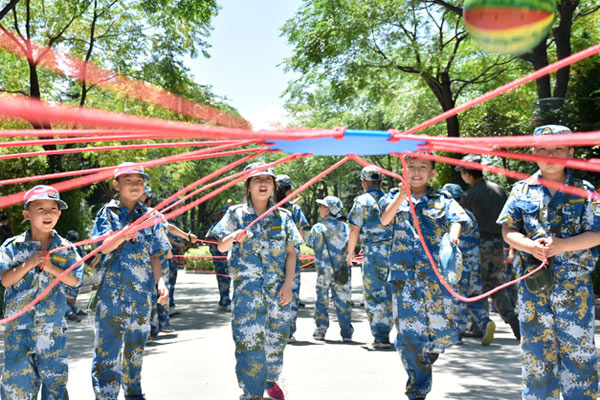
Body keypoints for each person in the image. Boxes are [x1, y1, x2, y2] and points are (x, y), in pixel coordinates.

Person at [497, 124, 600, 400]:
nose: (550, 154)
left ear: (570, 151)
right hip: (534, 289)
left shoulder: (585, 191)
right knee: (536, 359)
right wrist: (529, 245)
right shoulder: (521, 190)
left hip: (574, 290)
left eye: (558, 148)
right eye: (542, 148)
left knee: (579, 357)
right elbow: (508, 231)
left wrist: (563, 246)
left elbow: (598, 233)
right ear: (533, 153)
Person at [380, 155, 470, 400]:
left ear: (432, 173)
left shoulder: (442, 200)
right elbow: (384, 219)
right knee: (409, 337)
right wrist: (401, 195)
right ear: (402, 171)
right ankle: (417, 390)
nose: (416, 172)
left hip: (436, 278)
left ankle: (432, 350)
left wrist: (453, 237)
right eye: (411, 168)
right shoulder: (392, 198)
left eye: (422, 168)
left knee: (440, 332)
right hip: (405, 279)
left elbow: (459, 219)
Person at [211, 162, 302, 400]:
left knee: (276, 343)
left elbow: (292, 253)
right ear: (248, 185)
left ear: (273, 186)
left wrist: (288, 284)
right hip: (247, 293)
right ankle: (251, 393)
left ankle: (270, 379)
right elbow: (221, 246)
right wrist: (233, 236)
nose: (263, 184)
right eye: (257, 180)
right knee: (248, 344)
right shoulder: (235, 215)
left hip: (277, 292)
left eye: (268, 180)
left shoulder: (283, 216)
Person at [91, 162, 171, 400]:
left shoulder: (150, 216)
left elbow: (155, 253)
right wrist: (122, 235)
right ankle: (106, 396)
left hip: (141, 297)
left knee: (135, 352)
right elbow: (101, 248)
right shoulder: (107, 213)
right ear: (117, 185)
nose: (135, 186)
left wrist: (161, 283)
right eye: (129, 181)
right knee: (107, 354)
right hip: (111, 298)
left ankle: (134, 394)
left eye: (139, 181)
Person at [0, 185, 82, 399]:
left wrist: (51, 267)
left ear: (59, 214)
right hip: (19, 333)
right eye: (40, 208)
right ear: (27, 214)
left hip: (52, 332)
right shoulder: (12, 247)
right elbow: (5, 280)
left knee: (55, 387)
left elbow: (75, 281)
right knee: (17, 387)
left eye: (53, 209)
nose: (48, 214)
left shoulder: (65, 248)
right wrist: (28, 264)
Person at [456, 154, 520, 340]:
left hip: (479, 244)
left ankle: (479, 326)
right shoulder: (499, 190)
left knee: (477, 285)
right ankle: (511, 318)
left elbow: (465, 222)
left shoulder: (469, 195)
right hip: (500, 243)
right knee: (496, 285)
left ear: (468, 174)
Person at [441, 183, 495, 346]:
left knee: (457, 296)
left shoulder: (450, 216)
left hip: (458, 263)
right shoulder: (469, 215)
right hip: (474, 262)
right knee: (474, 296)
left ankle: (456, 333)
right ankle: (485, 322)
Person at [347, 165, 393, 349]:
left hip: (373, 252)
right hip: (394, 250)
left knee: (374, 293)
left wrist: (350, 253)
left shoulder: (362, 201)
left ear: (363, 183)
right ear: (381, 181)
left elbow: (354, 229)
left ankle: (381, 337)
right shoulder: (391, 198)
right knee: (393, 291)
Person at [306, 195, 354, 342]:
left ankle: (320, 330)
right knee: (343, 301)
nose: (320, 209)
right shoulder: (345, 227)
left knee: (321, 300)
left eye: (322, 206)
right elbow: (350, 246)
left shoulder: (317, 228)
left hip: (323, 271)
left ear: (327, 210)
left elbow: (311, 246)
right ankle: (346, 333)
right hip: (342, 270)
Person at [275, 174, 310, 342]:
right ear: (289, 191)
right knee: (292, 293)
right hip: (292, 258)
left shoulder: (267, 208)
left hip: (271, 258)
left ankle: (272, 329)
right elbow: (301, 234)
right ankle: (288, 332)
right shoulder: (294, 210)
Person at [206, 204, 232, 311]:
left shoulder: (232, 226)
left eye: (226, 213)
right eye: (223, 212)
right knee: (222, 277)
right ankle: (224, 299)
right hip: (218, 256)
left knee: (228, 278)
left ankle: (225, 299)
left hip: (228, 256)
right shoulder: (215, 226)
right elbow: (207, 238)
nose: (224, 215)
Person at [64, 229, 87, 323]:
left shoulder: (77, 247)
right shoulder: (64, 245)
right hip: (67, 275)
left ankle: (75, 310)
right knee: (65, 295)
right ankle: (69, 313)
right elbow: (57, 258)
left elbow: (83, 258)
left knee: (72, 296)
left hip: (76, 275)